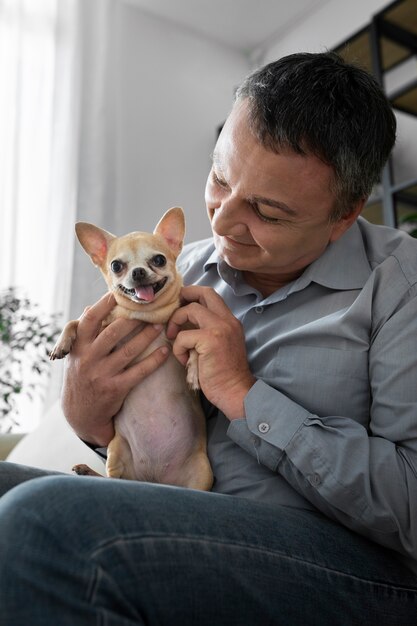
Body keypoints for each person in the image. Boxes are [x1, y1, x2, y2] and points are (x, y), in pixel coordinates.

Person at [1, 51, 417, 625]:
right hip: (170, 511)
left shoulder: (401, 285)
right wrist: (87, 419)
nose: (219, 223)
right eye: (220, 177)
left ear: (343, 215)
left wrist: (242, 393)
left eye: (265, 210)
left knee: (48, 522)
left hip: (346, 562)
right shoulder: (180, 266)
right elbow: (140, 427)